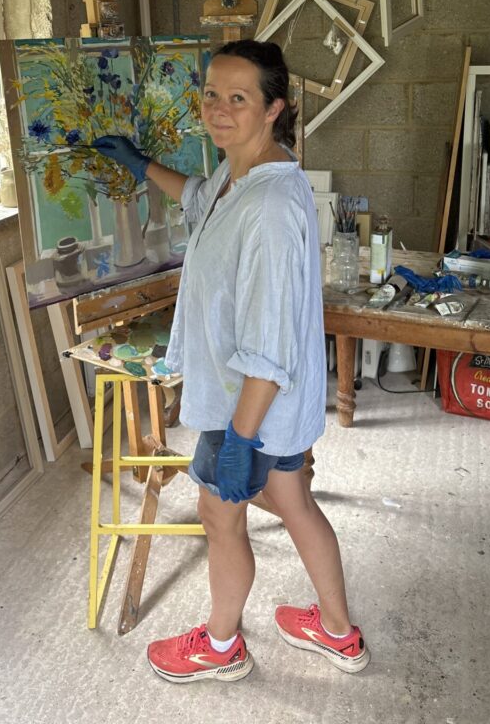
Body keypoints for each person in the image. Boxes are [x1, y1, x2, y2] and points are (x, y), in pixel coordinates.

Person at [92, 40, 369, 684]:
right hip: (266, 403)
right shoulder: (242, 172)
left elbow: (268, 352)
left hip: (250, 403)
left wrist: (242, 439)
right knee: (295, 502)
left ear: (275, 107)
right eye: (211, 94)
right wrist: (143, 167)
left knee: (221, 517)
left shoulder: (269, 207)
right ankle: (337, 633)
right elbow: (198, 197)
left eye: (237, 98)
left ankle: (220, 649)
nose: (218, 109)